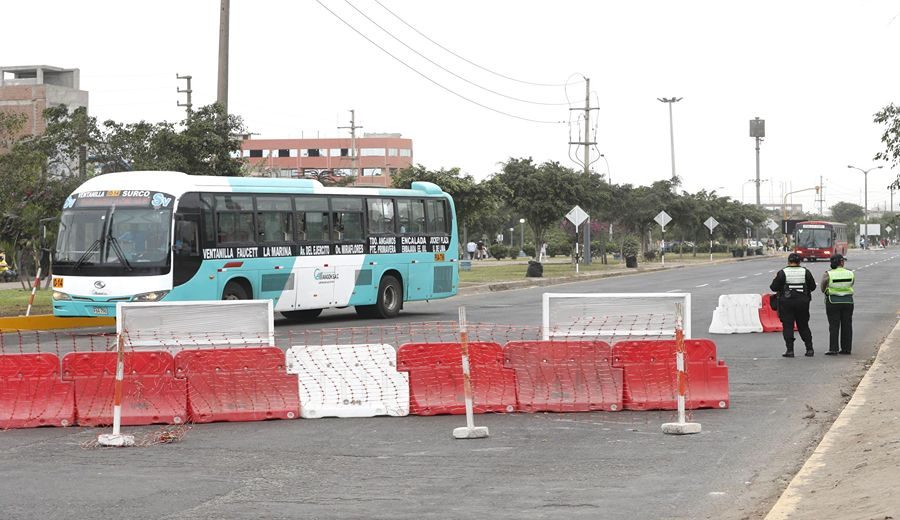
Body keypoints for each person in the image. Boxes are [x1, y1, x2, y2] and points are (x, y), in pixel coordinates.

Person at [770, 252, 817, 357]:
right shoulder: (806, 272)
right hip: (802, 303)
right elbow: (813, 287)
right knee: (803, 325)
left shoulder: (782, 272)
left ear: (788, 262)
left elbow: (773, 287)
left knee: (788, 326)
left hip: (786, 303)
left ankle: (790, 350)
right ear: (799, 262)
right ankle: (809, 349)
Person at [820, 253, 855, 355]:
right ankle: (846, 349)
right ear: (841, 262)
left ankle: (833, 349)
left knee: (834, 325)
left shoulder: (828, 274)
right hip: (848, 302)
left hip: (833, 301)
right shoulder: (850, 273)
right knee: (847, 325)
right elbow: (852, 283)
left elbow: (823, 288)